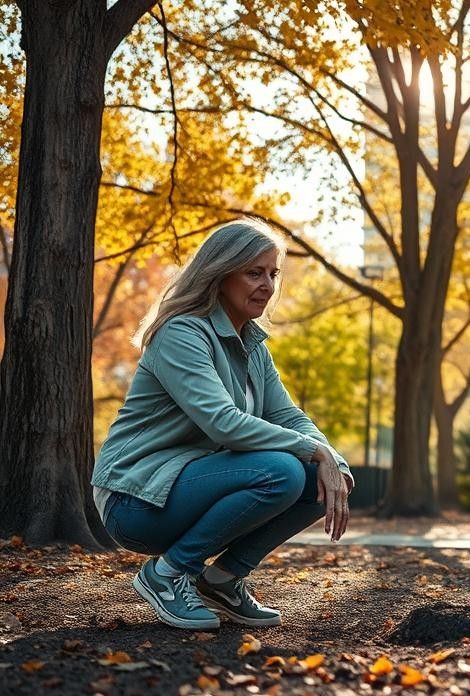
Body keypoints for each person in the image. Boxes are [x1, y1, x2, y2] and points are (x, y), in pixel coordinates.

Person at [92, 220, 354, 631]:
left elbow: (287, 416)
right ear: (220, 274)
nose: (267, 284)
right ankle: (166, 575)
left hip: (189, 486)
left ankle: (222, 580)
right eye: (254, 272)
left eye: (272, 273)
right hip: (136, 499)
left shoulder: (251, 344)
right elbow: (223, 424)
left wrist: (332, 459)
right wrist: (312, 450)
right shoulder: (182, 333)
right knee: (283, 470)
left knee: (321, 479)